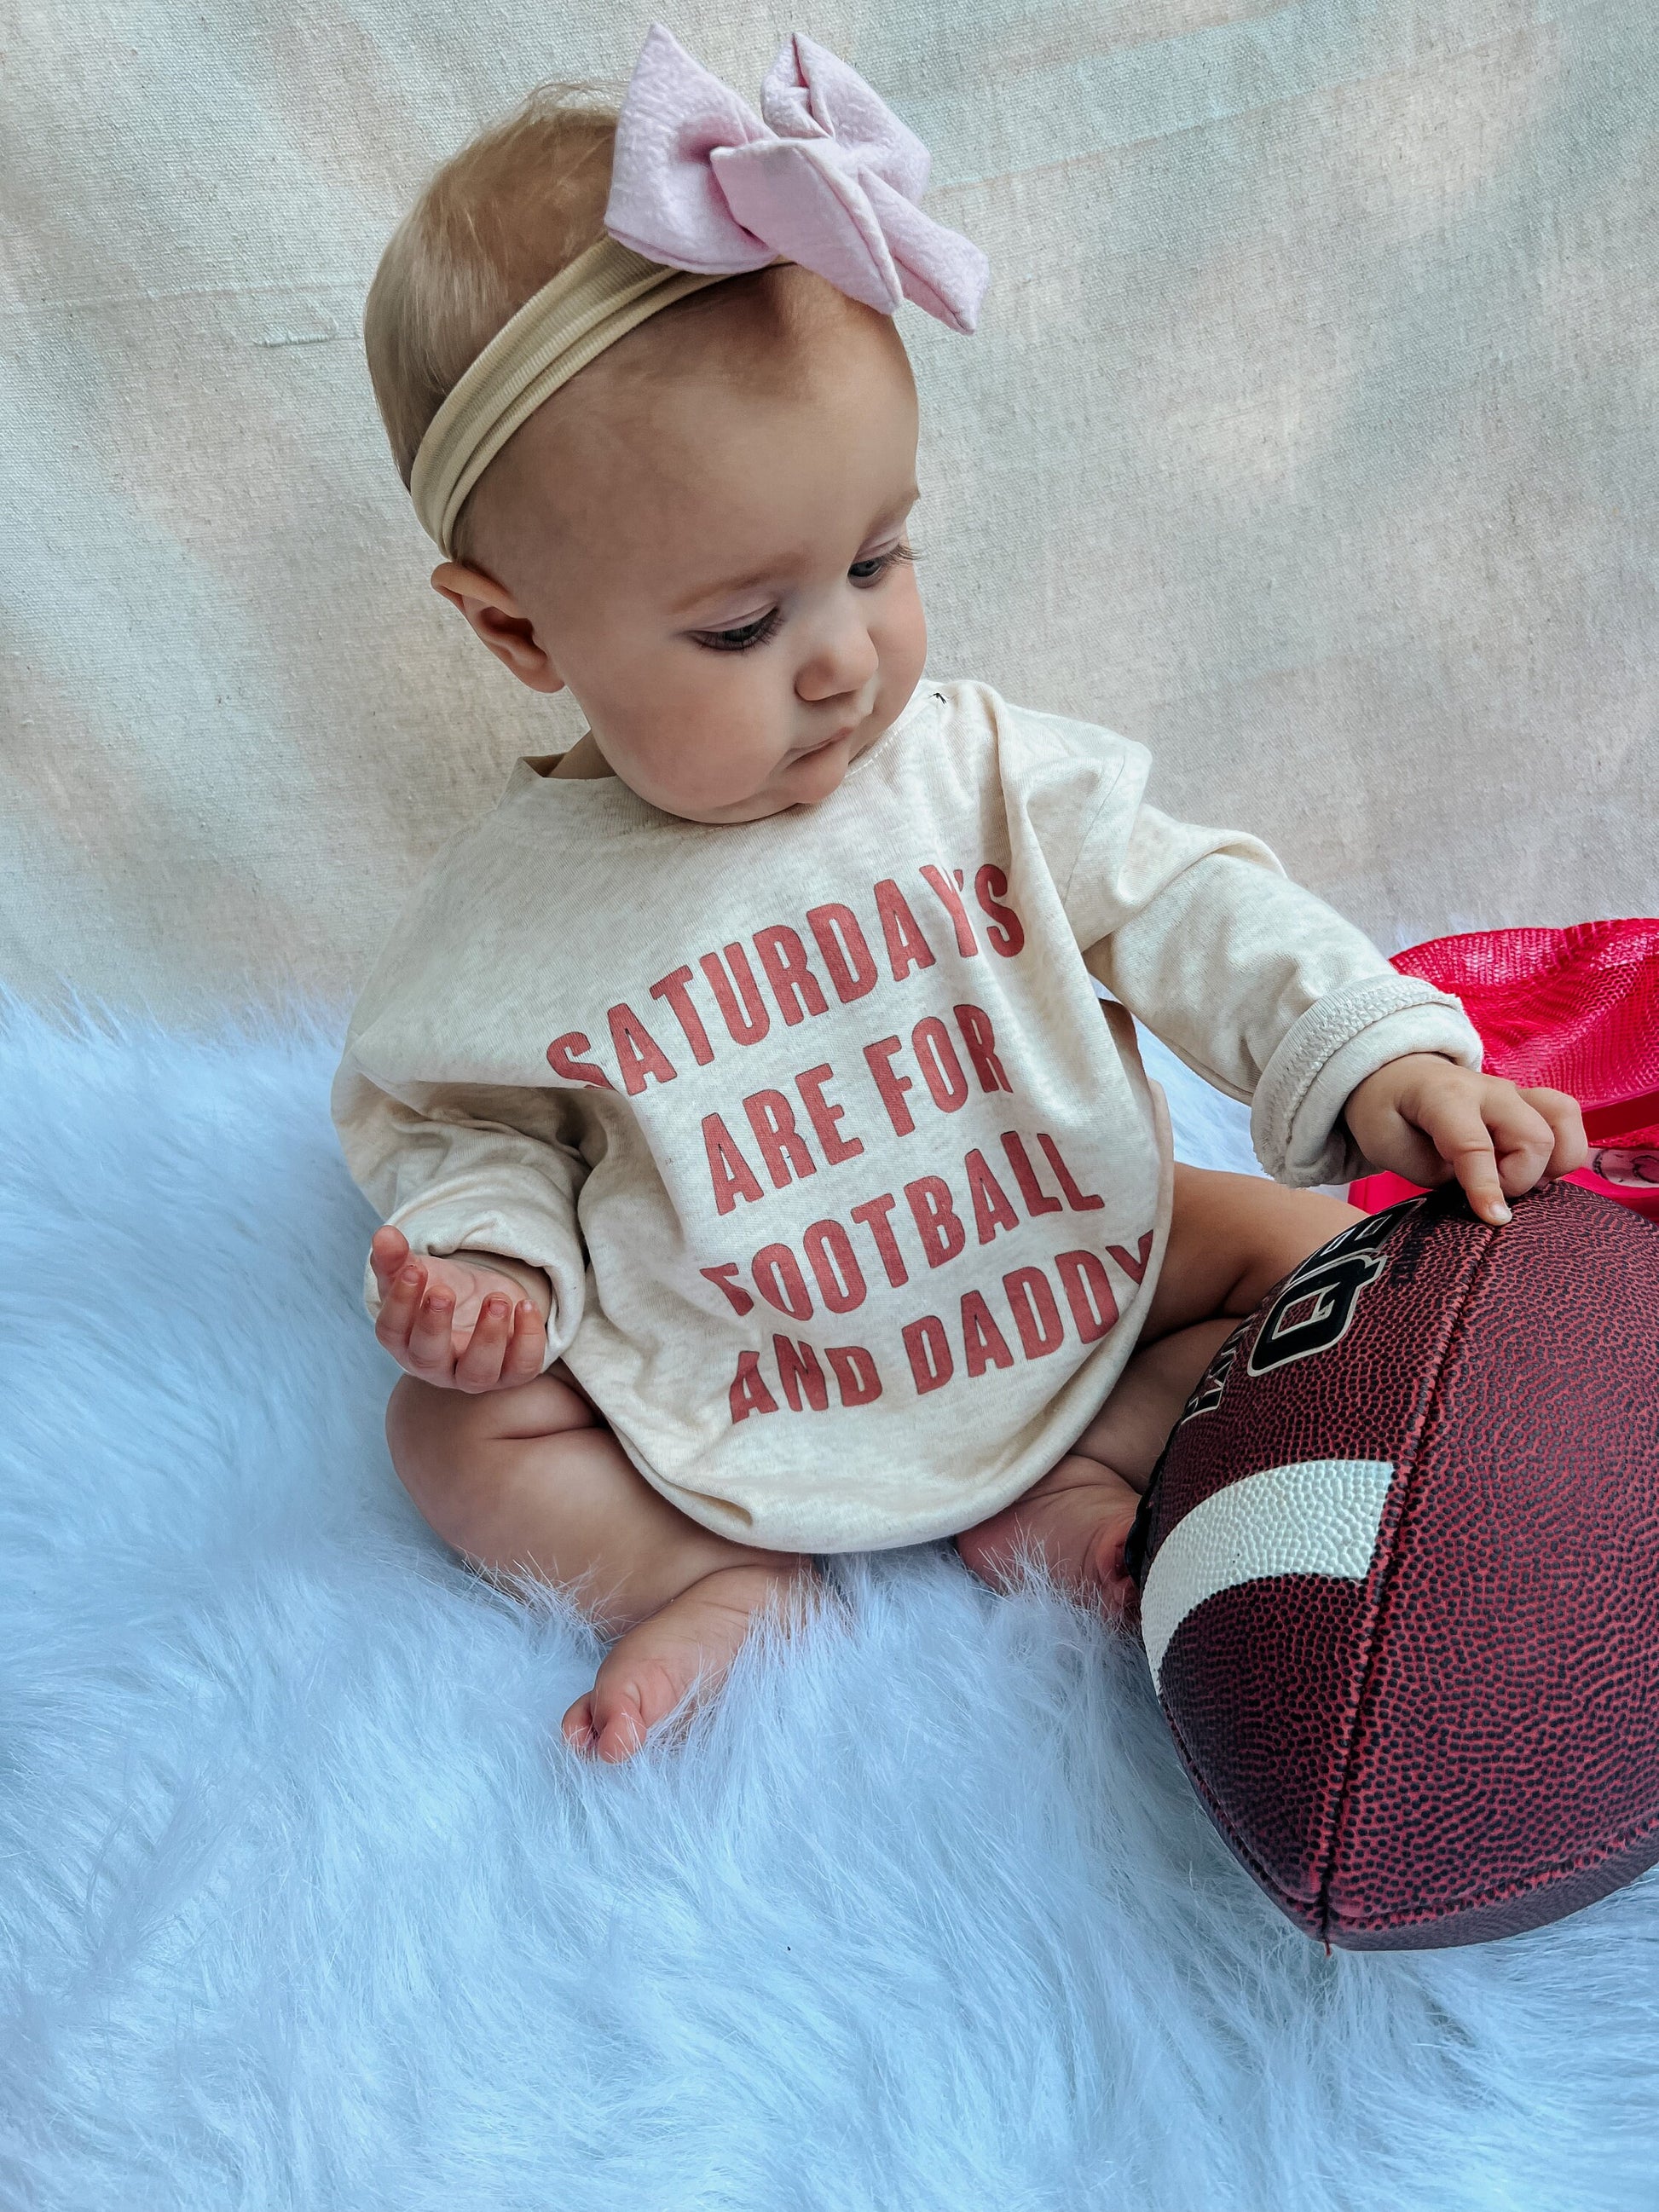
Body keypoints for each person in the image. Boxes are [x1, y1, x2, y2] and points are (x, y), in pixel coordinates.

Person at [333, 24, 1587, 1761]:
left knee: (1340, 1258)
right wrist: (488, 1267)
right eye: (738, 624)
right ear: (518, 628)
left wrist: (1369, 1050)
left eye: (876, 557)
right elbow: (460, 1131)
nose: (845, 658)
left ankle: (1089, 1450)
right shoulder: (505, 917)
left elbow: (1185, 900)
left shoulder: (989, 768)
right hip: (743, 1356)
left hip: (1064, 1253)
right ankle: (698, 1572)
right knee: (448, 1435)